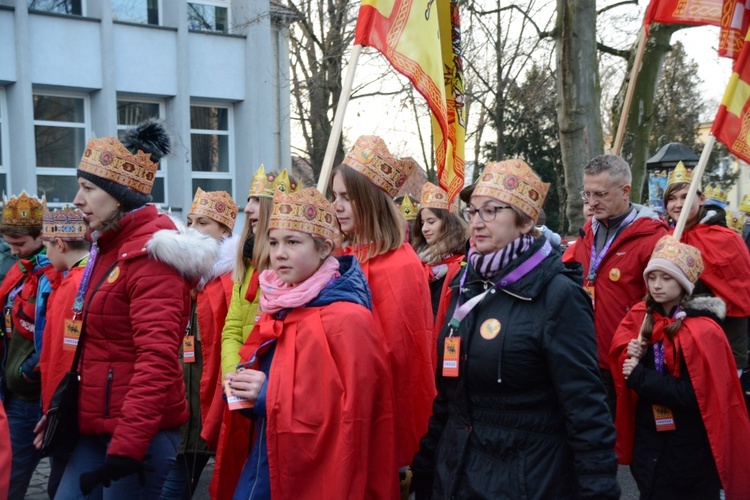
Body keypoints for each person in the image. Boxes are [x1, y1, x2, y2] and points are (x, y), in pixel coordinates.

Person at [410, 159, 620, 499]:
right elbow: (450, 398)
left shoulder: (558, 295)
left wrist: (598, 490)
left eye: (491, 211)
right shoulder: (466, 285)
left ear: (525, 222)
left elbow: (586, 410)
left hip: (525, 480)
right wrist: (426, 465)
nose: (476, 222)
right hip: (455, 473)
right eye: (473, 211)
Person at [53, 119, 218, 498]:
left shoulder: (150, 257)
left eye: (88, 188)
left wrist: (128, 446)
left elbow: (156, 359)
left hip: (139, 436)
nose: (77, 200)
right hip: (96, 429)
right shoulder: (109, 247)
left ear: (120, 196)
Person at [228, 187, 398, 499]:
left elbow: (351, 414)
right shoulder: (279, 305)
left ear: (323, 249)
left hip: (313, 476)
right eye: (275, 241)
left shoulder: (348, 320)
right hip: (267, 459)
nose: (279, 253)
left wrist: (267, 392)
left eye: (293, 242)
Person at [610, 235, 750, 499]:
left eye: (666, 278)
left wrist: (640, 375)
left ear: (684, 284)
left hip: (688, 447)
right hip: (649, 439)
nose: (657, 285)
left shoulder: (704, 331)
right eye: (652, 278)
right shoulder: (642, 319)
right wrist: (631, 354)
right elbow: (621, 366)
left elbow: (693, 395)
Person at [329, 135, 435, 471]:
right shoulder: (341, 256)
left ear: (370, 201)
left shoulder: (399, 264)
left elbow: (395, 355)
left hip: (370, 415)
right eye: (335, 196)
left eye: (346, 197)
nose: (336, 206)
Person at [210, 167, 298, 500]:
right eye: (248, 201)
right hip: (243, 389)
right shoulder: (245, 262)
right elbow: (232, 327)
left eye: (256, 201)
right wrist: (233, 376)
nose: (247, 209)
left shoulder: (292, 269)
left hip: (273, 392)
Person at [570, 154, 668, 414]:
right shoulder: (588, 230)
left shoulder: (654, 238)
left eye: (600, 194)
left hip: (625, 358)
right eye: (587, 194)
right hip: (582, 353)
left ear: (626, 191)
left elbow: (662, 306)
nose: (591, 203)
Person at [161, 189, 239, 499]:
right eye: (190, 221)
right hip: (181, 407)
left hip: (215, 400)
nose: (192, 229)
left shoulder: (232, 281)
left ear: (225, 231)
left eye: (203, 222)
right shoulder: (177, 276)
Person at [662, 162, 750, 372]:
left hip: (720, 341)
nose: (678, 204)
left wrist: (736, 361)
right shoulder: (666, 239)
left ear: (701, 199)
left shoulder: (726, 239)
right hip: (677, 342)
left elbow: (738, 300)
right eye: (672, 199)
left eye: (685, 196)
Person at [0, 191, 58, 500]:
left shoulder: (50, 275)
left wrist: (26, 373)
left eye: (19, 244)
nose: (12, 250)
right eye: (9, 243)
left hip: (30, 395)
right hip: (12, 390)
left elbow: (50, 336)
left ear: (41, 237)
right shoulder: (19, 269)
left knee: (12, 478)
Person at [33, 204, 90, 498]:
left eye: (46, 245)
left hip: (67, 406)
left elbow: (63, 357)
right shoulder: (77, 278)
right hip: (73, 404)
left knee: (60, 483)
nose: (45, 254)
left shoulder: (74, 285)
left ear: (59, 242)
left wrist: (52, 411)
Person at [411, 182, 467, 319]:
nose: (424, 229)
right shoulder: (418, 258)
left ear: (449, 224)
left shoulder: (462, 263)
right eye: (423, 223)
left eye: (431, 222)